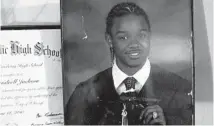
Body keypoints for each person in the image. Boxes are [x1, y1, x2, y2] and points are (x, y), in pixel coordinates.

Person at [64, 2, 193, 125]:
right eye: (123, 37)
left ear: (150, 36)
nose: (134, 45)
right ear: (109, 40)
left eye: (141, 35)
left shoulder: (180, 91)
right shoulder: (84, 95)